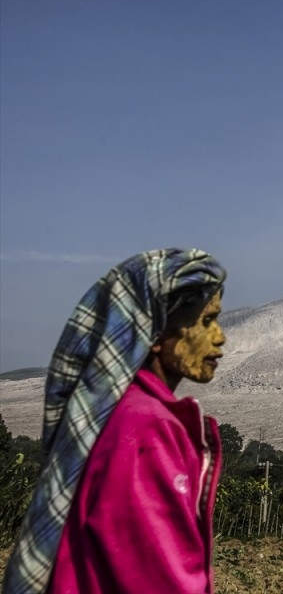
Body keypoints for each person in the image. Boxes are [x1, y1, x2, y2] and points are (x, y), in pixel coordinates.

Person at [2, 248, 227, 594]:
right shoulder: (146, 427)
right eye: (206, 321)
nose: (220, 337)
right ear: (154, 333)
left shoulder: (122, 413)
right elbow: (157, 577)